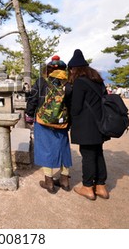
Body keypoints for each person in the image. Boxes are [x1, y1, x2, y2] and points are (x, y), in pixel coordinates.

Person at [67, 49, 109, 201]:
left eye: (71, 69)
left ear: (75, 69)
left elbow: (76, 107)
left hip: (86, 125)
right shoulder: (97, 80)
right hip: (100, 123)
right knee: (98, 153)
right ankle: (101, 186)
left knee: (88, 156)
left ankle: (87, 187)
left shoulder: (79, 82)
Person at [26, 55, 72, 194]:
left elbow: (33, 100)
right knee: (63, 148)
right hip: (62, 122)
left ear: (48, 69)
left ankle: (49, 182)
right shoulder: (68, 84)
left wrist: (29, 114)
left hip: (43, 121)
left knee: (46, 148)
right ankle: (64, 180)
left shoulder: (42, 81)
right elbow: (71, 105)